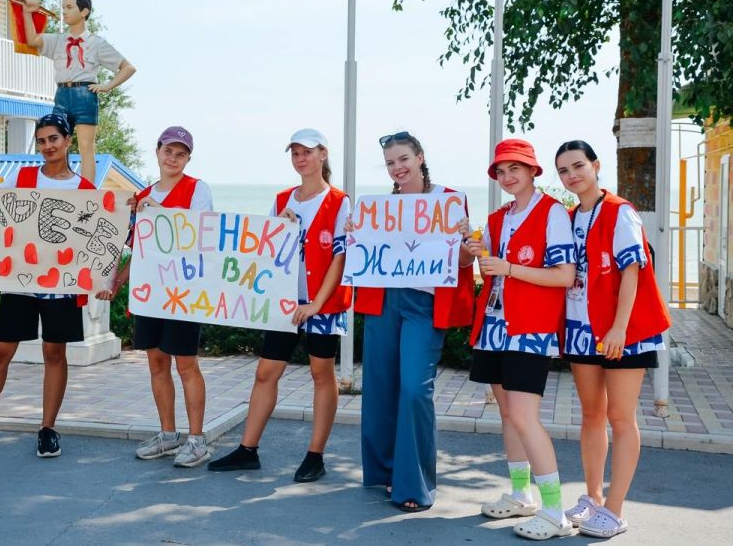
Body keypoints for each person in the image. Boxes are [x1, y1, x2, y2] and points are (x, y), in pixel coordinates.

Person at [0, 114, 94, 459]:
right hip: (20, 281)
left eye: (53, 139)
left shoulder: (84, 190)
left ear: (67, 141)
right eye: (41, 141)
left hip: (61, 285)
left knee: (54, 353)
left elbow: (95, 237)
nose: (47, 146)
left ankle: (48, 429)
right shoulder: (21, 176)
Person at [207, 128, 351, 482]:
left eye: (307, 152)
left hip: (322, 304)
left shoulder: (339, 200)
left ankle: (315, 455)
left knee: (321, 373)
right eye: (295, 153)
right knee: (265, 372)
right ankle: (247, 449)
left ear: (323, 155)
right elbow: (268, 251)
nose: (301, 158)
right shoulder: (282, 198)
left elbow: (340, 256)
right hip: (285, 304)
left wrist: (316, 303)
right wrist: (278, 227)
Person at [352, 131, 475, 511]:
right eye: (390, 163)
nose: (397, 168)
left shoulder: (448, 201)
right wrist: (355, 239)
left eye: (403, 159)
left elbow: (463, 262)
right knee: (380, 386)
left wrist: (468, 247)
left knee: (414, 390)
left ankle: (414, 484)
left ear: (420, 157)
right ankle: (385, 472)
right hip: (385, 301)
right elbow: (364, 257)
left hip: (424, 305)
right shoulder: (380, 208)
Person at [555, 140, 670, 539]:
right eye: (564, 171)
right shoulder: (569, 217)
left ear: (596, 165)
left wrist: (619, 328)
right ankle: (593, 498)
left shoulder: (620, 212)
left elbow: (632, 272)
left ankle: (616, 509)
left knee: (621, 418)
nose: (572, 176)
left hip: (622, 331)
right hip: (581, 330)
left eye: (578, 166)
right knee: (591, 415)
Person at [464, 138, 576, 540]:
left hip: (531, 328)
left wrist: (508, 267)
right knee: (508, 414)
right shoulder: (497, 218)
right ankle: (520, 494)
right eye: (501, 171)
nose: (508, 176)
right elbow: (491, 271)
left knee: (526, 417)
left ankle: (554, 512)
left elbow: (564, 276)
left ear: (533, 170)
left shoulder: (553, 214)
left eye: (516, 168)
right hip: (495, 325)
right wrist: (479, 252)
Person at [97, 126, 214, 468]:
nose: (173, 158)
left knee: (187, 364)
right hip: (150, 294)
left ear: (188, 158)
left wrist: (156, 211)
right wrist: (118, 280)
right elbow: (140, 250)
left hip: (183, 292)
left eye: (180, 153)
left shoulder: (197, 189)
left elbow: (199, 235)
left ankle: (196, 439)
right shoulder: (143, 195)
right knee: (156, 363)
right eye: (168, 151)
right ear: (158, 151)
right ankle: (168, 433)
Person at [25, 0, 136, 186]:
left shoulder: (97, 43)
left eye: (69, 7)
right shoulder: (57, 40)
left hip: (85, 95)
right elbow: (32, 41)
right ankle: (57, 182)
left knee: (86, 147)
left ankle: (87, 191)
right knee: (56, 142)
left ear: (84, 11)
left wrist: (107, 86)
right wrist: (28, 12)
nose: (64, 12)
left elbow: (128, 67)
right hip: (62, 95)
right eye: (63, 8)